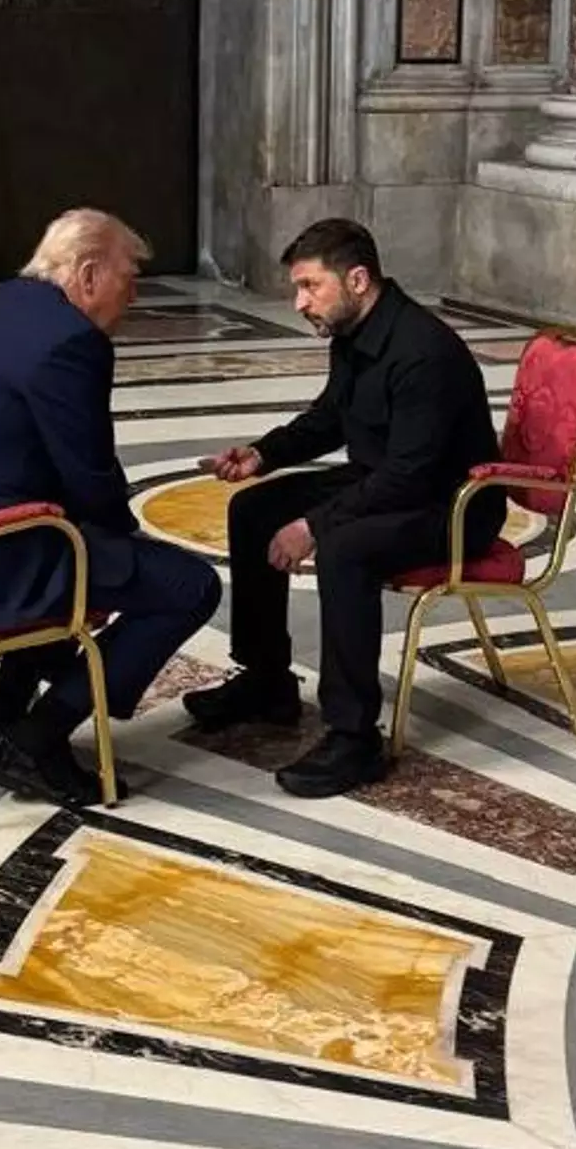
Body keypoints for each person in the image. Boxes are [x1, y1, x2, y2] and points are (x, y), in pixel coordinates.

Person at [0, 208, 221, 806]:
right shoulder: (71, 341)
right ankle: (36, 737)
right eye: (129, 278)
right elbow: (91, 475)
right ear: (89, 273)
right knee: (188, 587)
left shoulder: (1, 307)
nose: (134, 296)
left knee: (89, 547)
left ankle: (0, 711)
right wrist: (126, 546)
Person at [184, 218, 504, 797]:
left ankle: (354, 736)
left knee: (345, 549)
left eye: (310, 286)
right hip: (388, 481)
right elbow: (331, 417)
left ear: (357, 280)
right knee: (253, 511)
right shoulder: (354, 332)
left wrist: (313, 525)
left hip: (451, 505)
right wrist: (263, 454)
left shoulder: (424, 353)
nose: (300, 302)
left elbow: (411, 475)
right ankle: (267, 680)